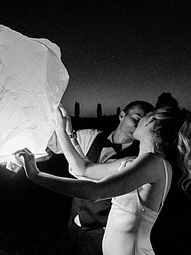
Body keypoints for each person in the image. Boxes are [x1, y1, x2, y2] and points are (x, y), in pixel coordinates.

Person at [16, 104, 191, 255]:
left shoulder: (154, 163)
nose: (138, 121)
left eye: (144, 117)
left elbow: (95, 192)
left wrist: (36, 175)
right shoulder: (132, 162)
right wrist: (63, 130)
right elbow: (83, 169)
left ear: (151, 121)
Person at [46, 101, 153, 254]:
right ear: (122, 115)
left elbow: (84, 172)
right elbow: (53, 145)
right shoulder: (91, 136)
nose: (137, 125)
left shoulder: (136, 160)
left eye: (143, 122)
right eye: (136, 118)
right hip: (75, 223)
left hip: (103, 232)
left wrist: (36, 175)